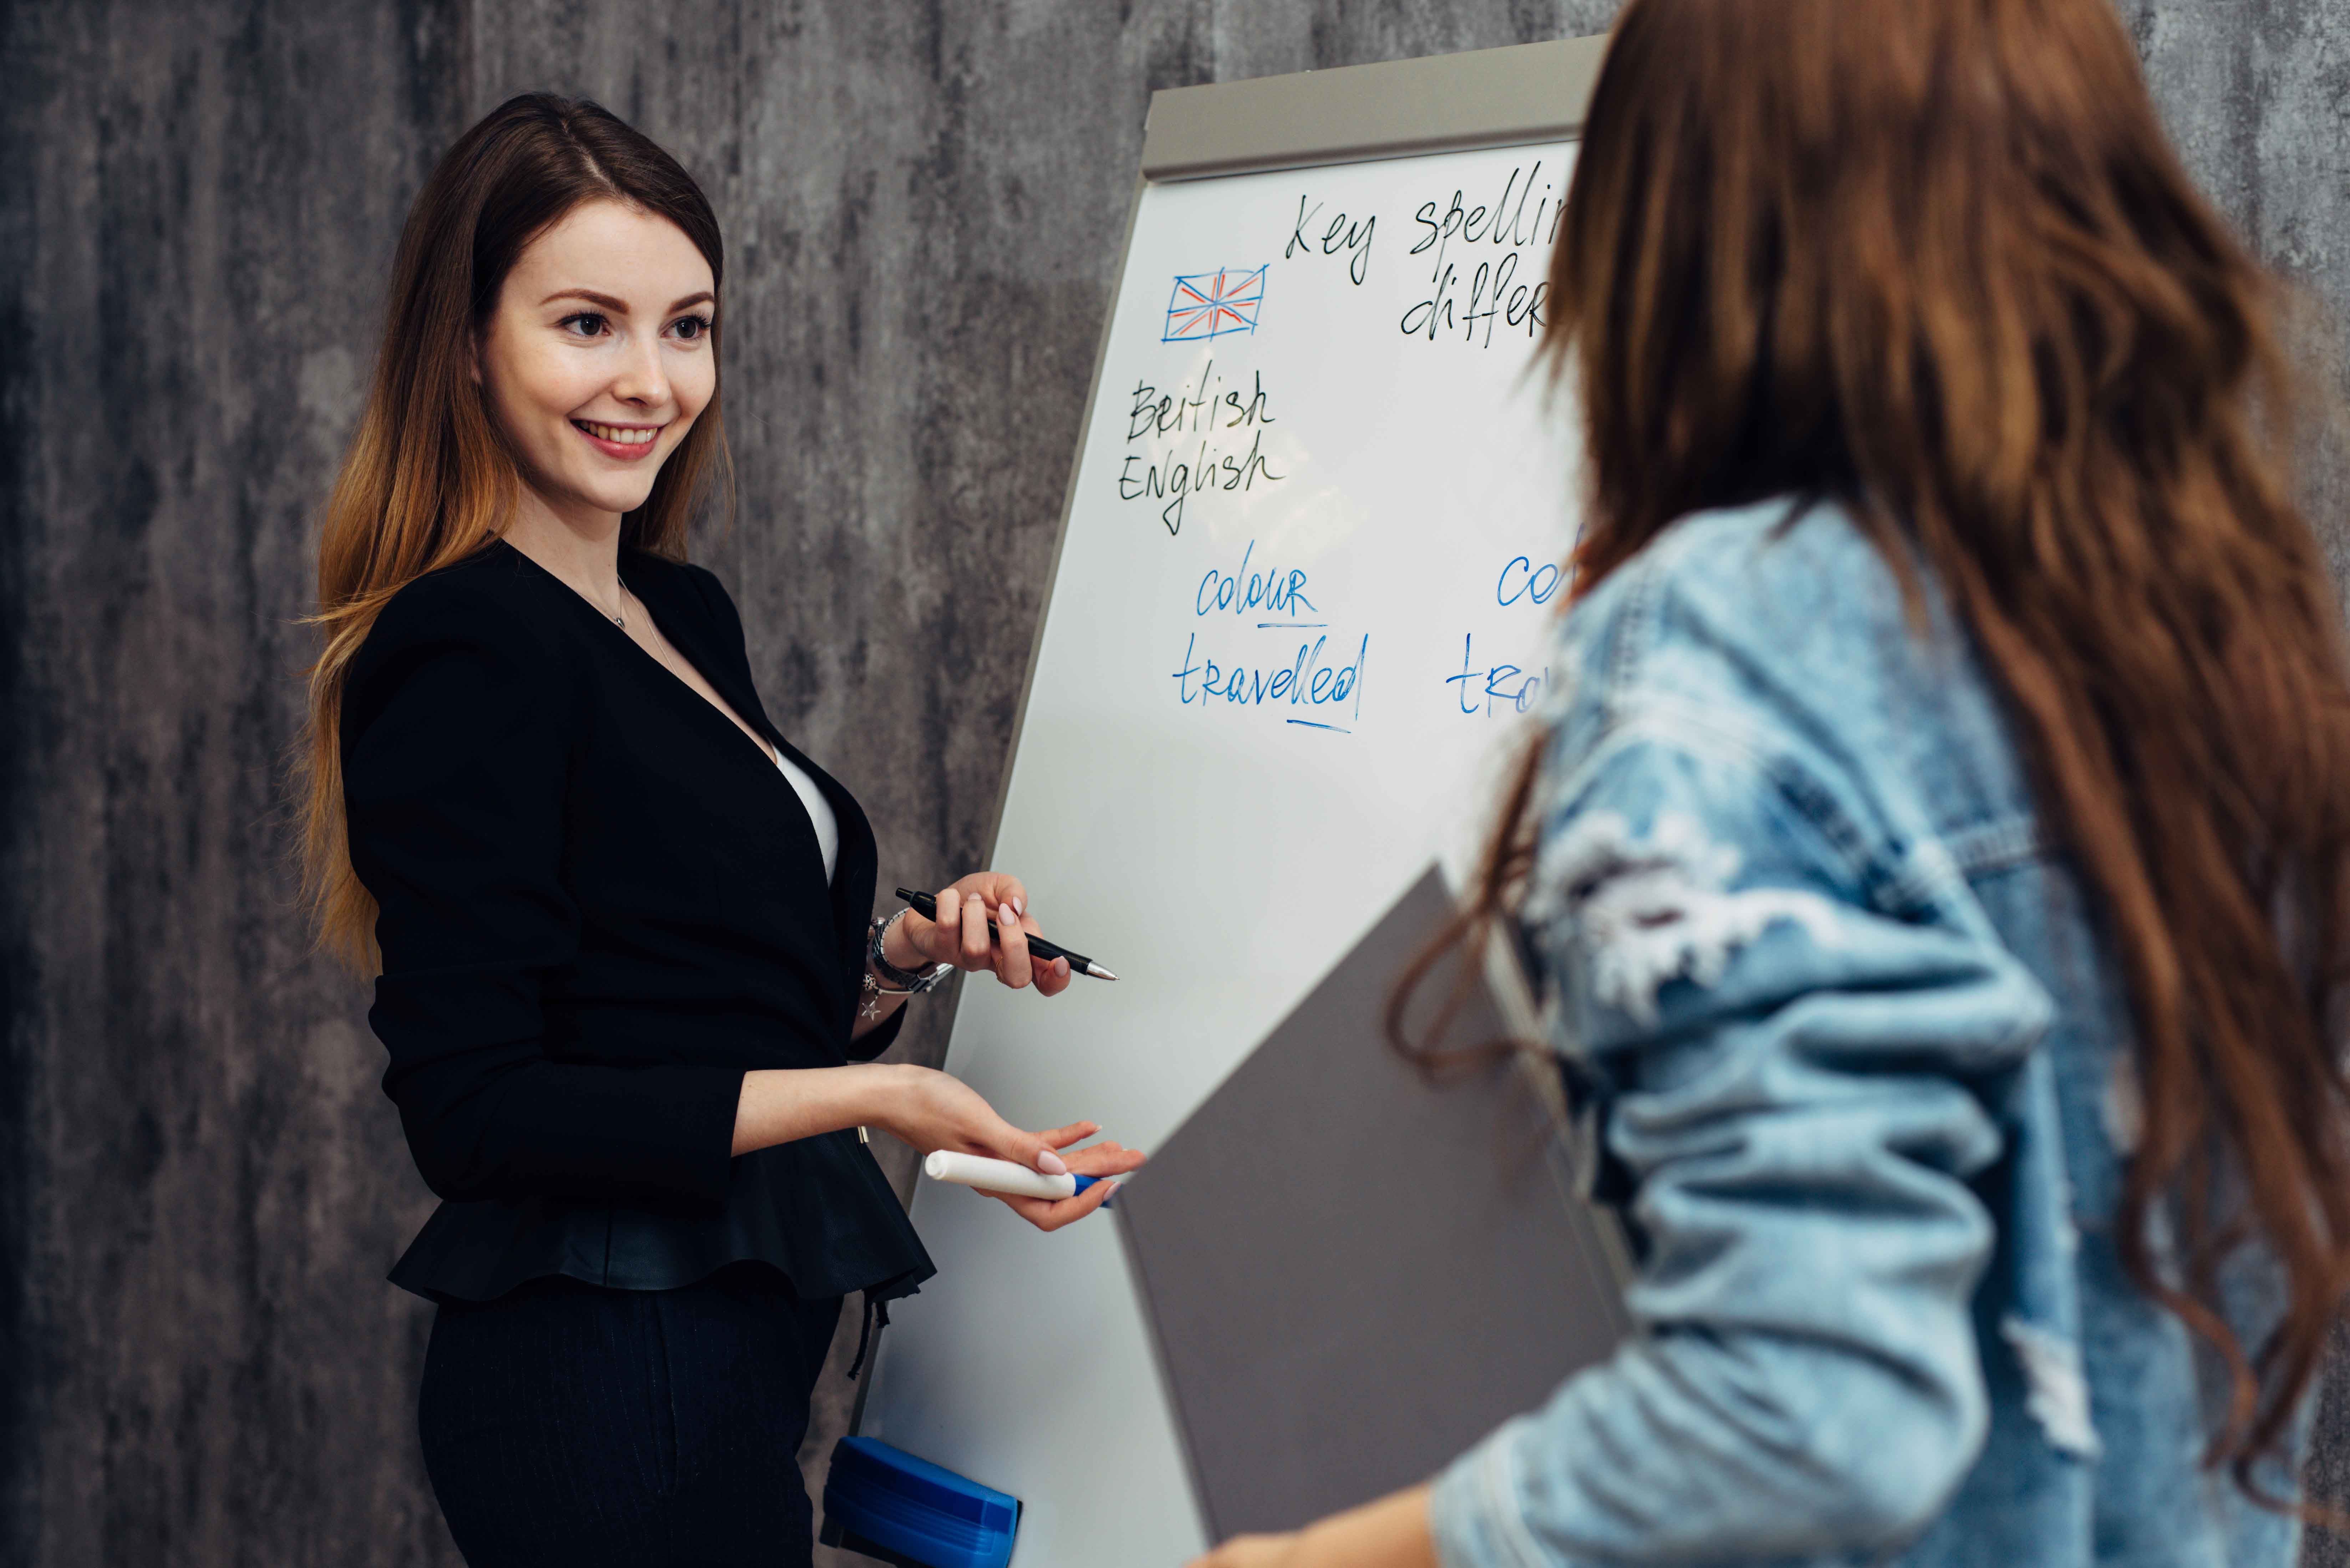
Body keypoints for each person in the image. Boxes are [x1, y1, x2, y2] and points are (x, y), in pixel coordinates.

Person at [1195, 0, 2350, 1564]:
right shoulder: (2208, 634)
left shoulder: (1720, 638)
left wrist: (1319, 1557)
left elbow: (1810, 1409)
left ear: (1680, 223)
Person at [294, 94, 1143, 1567]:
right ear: (465, 341)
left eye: (687, 326)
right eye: (587, 324)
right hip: (605, 1388)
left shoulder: (675, 608)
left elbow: (684, 996)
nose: (650, 378)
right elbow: (481, 1110)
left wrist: (899, 956)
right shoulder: (462, 647)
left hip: (722, 1363)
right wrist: (879, 1101)